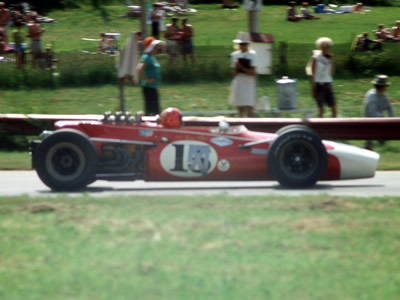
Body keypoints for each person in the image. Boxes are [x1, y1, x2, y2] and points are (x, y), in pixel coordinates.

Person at [363, 75, 395, 150]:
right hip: (369, 120)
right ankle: (369, 144)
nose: (386, 88)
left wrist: (392, 119)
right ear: (382, 86)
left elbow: (389, 107)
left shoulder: (383, 96)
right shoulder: (371, 96)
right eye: (385, 86)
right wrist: (383, 118)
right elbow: (371, 112)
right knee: (371, 133)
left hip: (379, 120)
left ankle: (380, 140)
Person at [229, 33, 257, 117]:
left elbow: (253, 72)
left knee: (249, 105)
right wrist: (237, 67)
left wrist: (242, 66)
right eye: (240, 44)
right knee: (239, 105)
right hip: (239, 80)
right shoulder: (235, 55)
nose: (242, 46)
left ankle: (251, 122)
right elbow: (234, 73)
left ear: (247, 44)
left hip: (248, 81)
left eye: (244, 44)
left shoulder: (252, 54)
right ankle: (240, 120)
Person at [137, 36, 164, 116]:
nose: (157, 49)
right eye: (156, 47)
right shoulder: (146, 57)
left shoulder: (151, 57)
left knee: (154, 109)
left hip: (153, 87)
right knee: (152, 110)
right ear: (151, 47)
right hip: (148, 87)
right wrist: (146, 80)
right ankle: (149, 126)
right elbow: (139, 69)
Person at [311, 37, 337, 118]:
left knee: (334, 108)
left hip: (328, 84)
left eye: (329, 46)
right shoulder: (316, 58)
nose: (328, 48)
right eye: (326, 46)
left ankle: (335, 127)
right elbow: (312, 73)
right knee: (321, 110)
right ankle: (320, 128)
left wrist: (331, 61)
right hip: (319, 85)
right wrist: (313, 88)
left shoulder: (330, 57)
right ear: (321, 46)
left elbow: (332, 73)